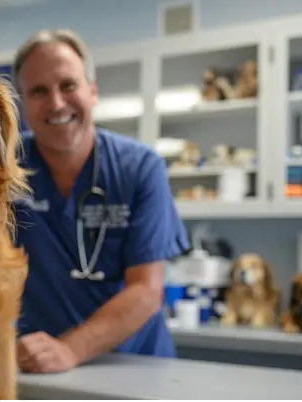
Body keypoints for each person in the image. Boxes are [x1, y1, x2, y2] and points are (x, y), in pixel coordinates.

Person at [10, 29, 190, 374]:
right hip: (41, 368)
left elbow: (146, 289)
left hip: (134, 366)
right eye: (38, 91)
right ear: (22, 105)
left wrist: (70, 349)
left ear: (92, 92)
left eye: (68, 85)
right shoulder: (6, 170)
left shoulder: (139, 168)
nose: (57, 103)